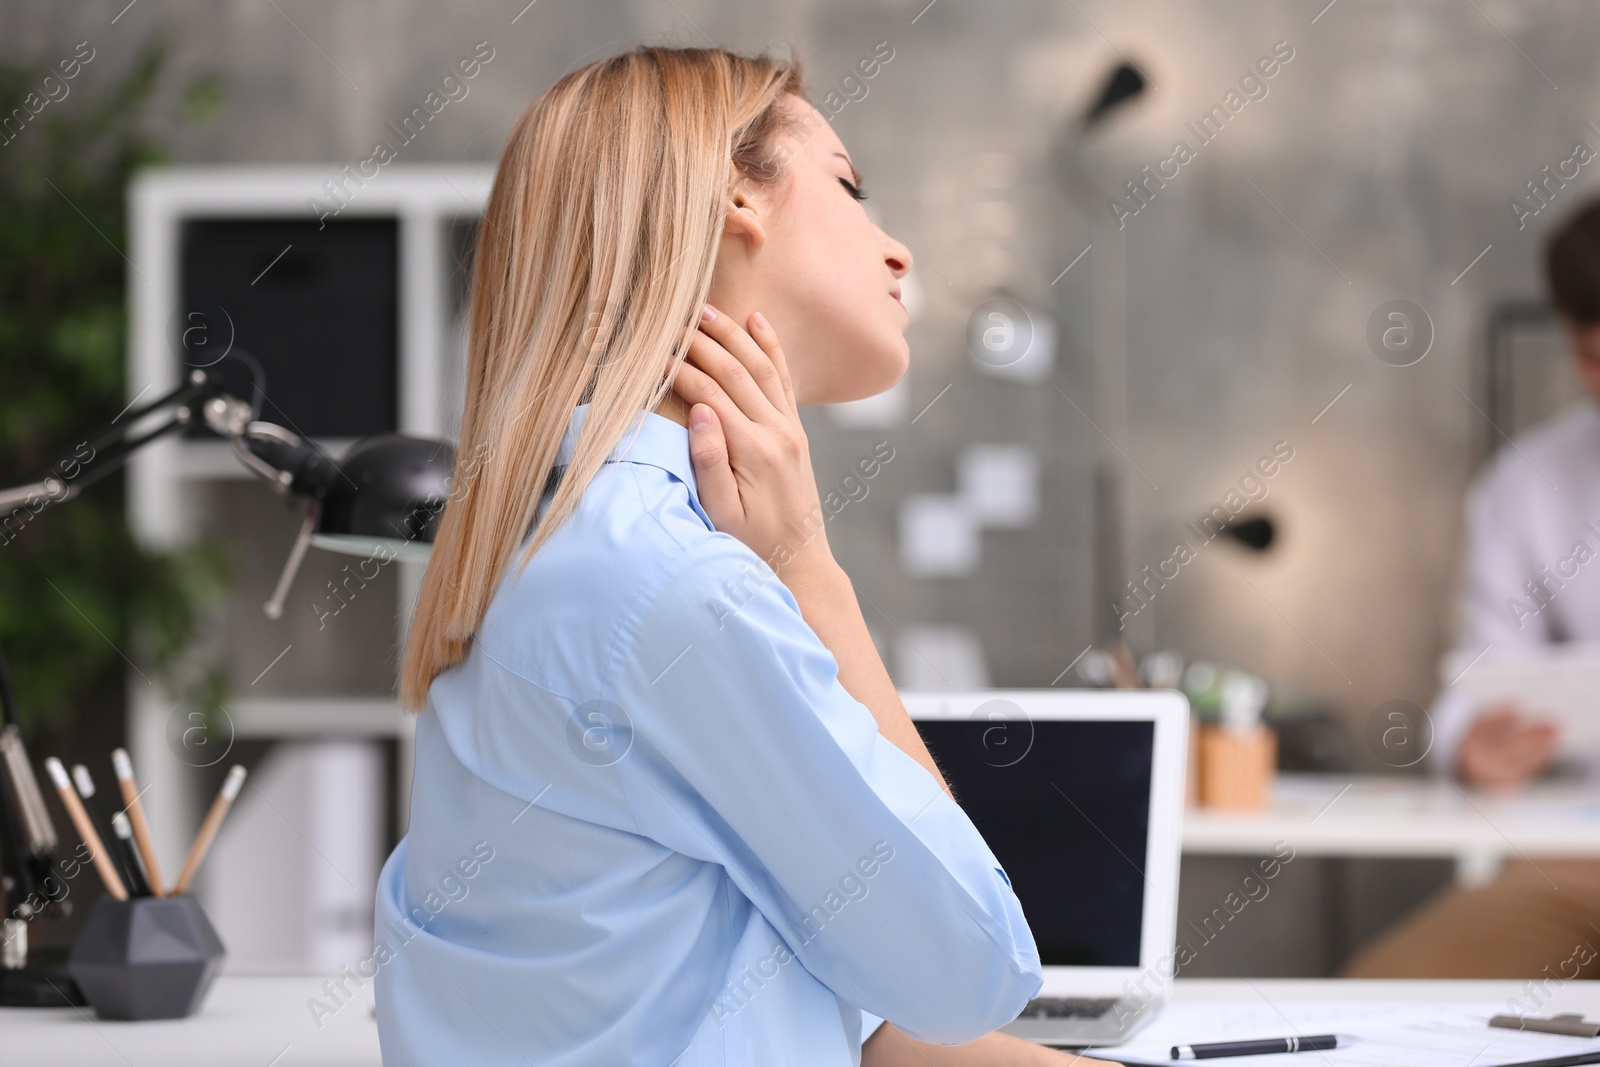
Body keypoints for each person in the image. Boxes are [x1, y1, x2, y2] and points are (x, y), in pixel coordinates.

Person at [372, 45, 1114, 1066]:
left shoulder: (554, 544)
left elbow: (747, 983)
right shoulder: (682, 592)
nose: (896, 250)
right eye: (851, 188)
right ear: (734, 202)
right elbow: (969, 968)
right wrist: (812, 571)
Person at [1342, 198, 1600, 979]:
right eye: (1594, 356)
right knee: (1378, 997)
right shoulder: (1526, 486)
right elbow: (1476, 679)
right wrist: (1471, 745)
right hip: (1582, 857)